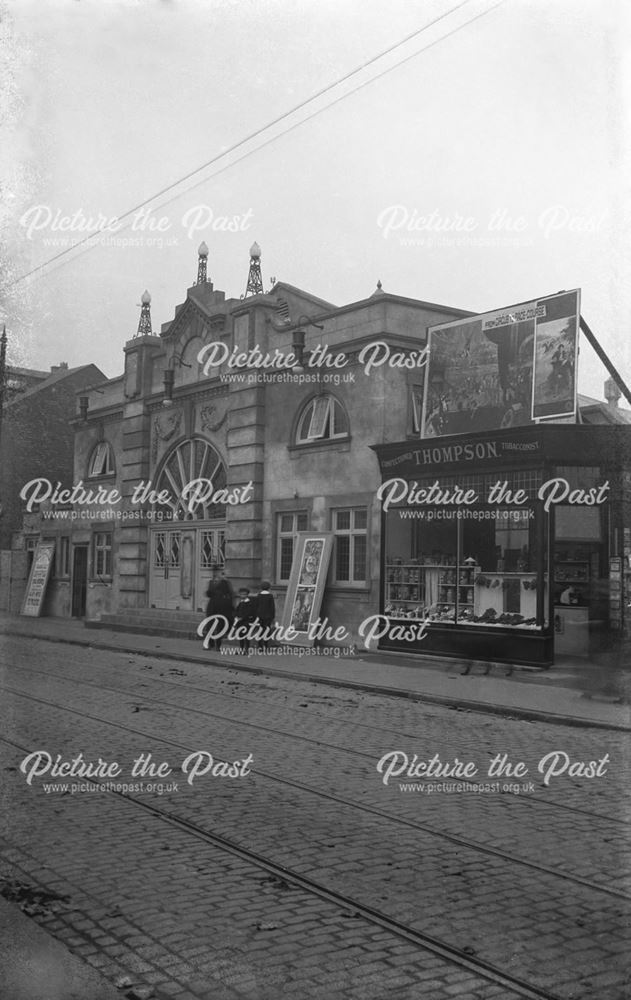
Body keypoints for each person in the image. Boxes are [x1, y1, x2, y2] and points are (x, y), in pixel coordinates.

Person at [204, 568, 234, 651]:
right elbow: (209, 594)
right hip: (212, 606)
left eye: (220, 573)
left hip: (222, 607)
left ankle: (218, 645)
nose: (218, 575)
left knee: (220, 626)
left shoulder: (226, 583)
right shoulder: (212, 582)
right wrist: (214, 584)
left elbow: (230, 594)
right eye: (216, 573)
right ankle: (210, 644)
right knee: (210, 626)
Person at [234, 587, 257, 653]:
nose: (242, 596)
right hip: (239, 622)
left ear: (247, 595)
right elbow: (237, 610)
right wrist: (236, 616)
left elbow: (249, 612)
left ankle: (246, 649)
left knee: (246, 636)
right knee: (240, 635)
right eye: (241, 594)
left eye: (244, 594)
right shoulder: (240, 602)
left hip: (246, 621)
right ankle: (241, 648)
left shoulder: (249, 603)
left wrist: (242, 618)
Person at [255, 581, 275, 651]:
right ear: (269, 588)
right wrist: (272, 617)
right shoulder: (270, 596)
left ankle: (260, 645)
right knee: (267, 631)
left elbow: (256, 606)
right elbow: (272, 607)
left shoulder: (259, 596)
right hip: (268, 616)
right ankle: (266, 645)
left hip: (260, 616)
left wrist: (256, 615)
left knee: (260, 630)